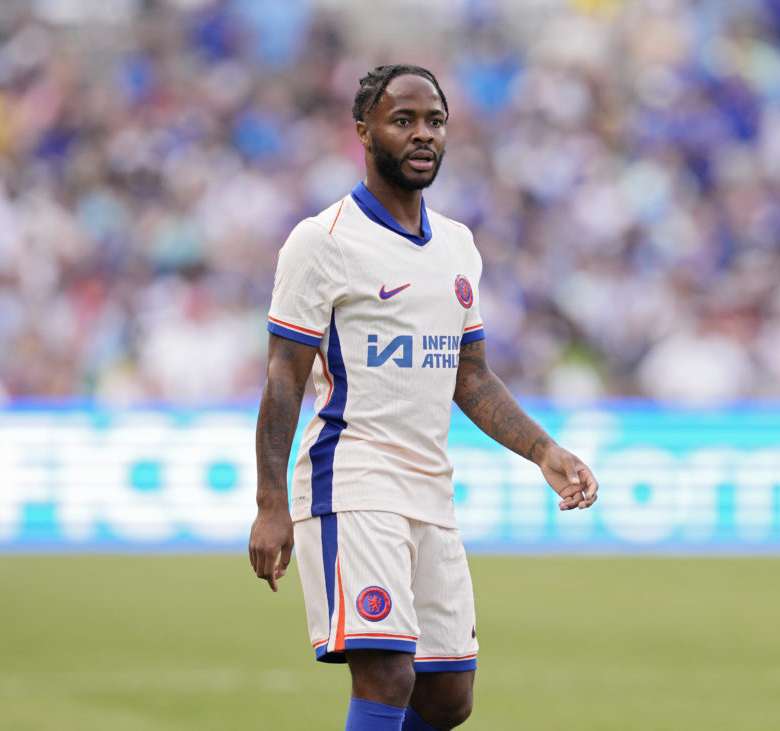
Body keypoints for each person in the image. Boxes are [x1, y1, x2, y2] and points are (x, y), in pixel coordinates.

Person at [248, 64, 599, 731]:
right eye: (402, 119)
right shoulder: (323, 242)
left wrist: (543, 449)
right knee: (387, 671)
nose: (421, 134)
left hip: (430, 488)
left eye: (433, 121)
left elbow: (471, 375)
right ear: (363, 130)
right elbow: (283, 375)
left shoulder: (459, 248)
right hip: (350, 477)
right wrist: (270, 505)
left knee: (448, 696)